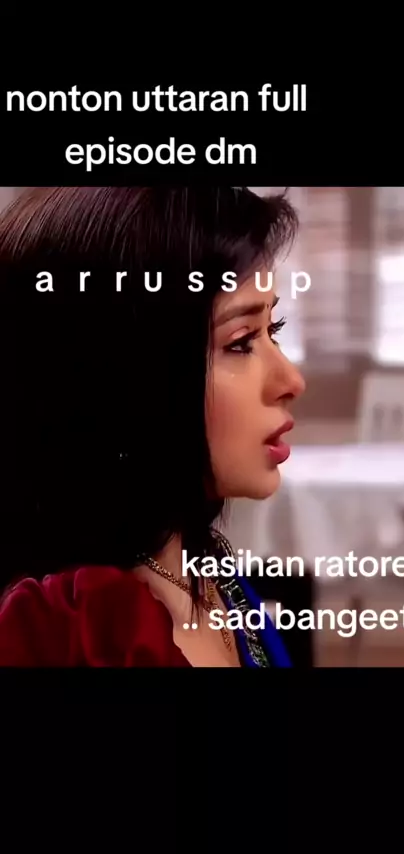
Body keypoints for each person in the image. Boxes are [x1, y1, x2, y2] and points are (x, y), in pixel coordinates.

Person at [0, 186, 305, 667]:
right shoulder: (76, 634)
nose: (291, 380)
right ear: (126, 374)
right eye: (242, 341)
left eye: (274, 330)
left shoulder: (210, 572)